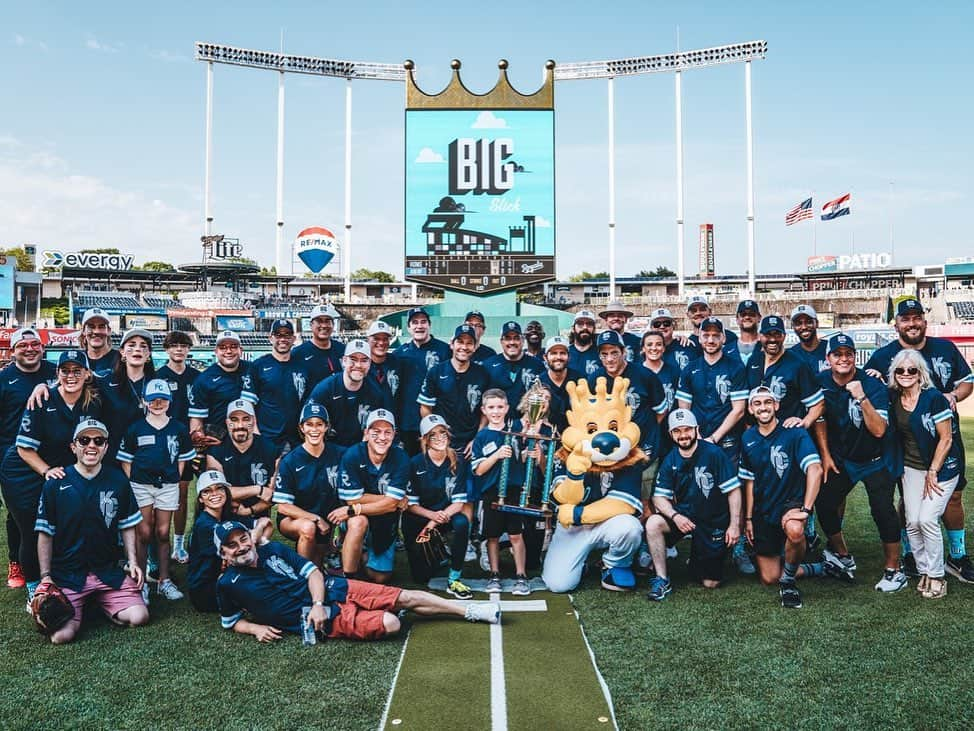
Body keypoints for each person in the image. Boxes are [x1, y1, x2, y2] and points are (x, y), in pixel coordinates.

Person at [214, 521, 500, 643]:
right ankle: (389, 611)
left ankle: (469, 611)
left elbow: (313, 573)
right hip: (322, 619)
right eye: (232, 545)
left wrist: (315, 602)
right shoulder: (227, 583)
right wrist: (255, 629)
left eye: (243, 539)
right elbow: (230, 621)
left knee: (406, 597)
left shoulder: (271, 549)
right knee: (391, 624)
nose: (241, 546)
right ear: (223, 553)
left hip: (332, 589)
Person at [865, 298, 974, 582]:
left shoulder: (946, 348)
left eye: (916, 317)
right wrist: (873, 379)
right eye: (905, 318)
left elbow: (967, 381)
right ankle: (911, 552)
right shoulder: (883, 356)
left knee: (953, 497)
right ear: (896, 324)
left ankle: (957, 555)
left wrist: (953, 395)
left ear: (924, 321)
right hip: (904, 443)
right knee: (909, 502)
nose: (911, 323)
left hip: (943, 437)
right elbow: (868, 386)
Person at [34, 418, 148, 644]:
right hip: (69, 574)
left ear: (106, 447)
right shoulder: (56, 483)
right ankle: (86, 604)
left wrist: (132, 561)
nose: (91, 446)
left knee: (139, 617)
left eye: (99, 441)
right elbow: (45, 533)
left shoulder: (117, 480)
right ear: (73, 446)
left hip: (106, 570)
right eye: (84, 440)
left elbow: (127, 525)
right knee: (60, 637)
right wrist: (46, 577)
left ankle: (98, 603)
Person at [0, 350, 101, 605]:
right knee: (33, 528)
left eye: (77, 370)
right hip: (24, 471)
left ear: (87, 374)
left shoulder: (92, 401)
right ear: (56, 374)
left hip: (56, 469)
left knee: (63, 523)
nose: (71, 375)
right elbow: (24, 448)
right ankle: (35, 587)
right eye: (65, 370)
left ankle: (60, 576)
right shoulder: (43, 399)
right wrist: (45, 471)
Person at [814, 334, 905, 590]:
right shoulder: (820, 382)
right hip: (843, 459)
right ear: (828, 358)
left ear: (855, 356)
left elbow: (879, 430)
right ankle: (842, 555)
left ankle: (893, 569)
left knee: (882, 510)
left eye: (848, 354)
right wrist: (826, 454)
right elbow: (818, 417)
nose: (843, 359)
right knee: (826, 502)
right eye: (837, 354)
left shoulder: (871, 383)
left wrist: (861, 397)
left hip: (876, 457)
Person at [740, 387, 824, 608]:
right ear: (751, 409)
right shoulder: (748, 437)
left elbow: (815, 470)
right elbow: (749, 481)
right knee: (769, 578)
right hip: (764, 508)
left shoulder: (794, 432)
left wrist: (805, 510)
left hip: (791, 503)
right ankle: (822, 567)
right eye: (757, 404)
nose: (763, 407)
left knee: (795, 530)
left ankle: (788, 582)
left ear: (776, 405)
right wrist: (748, 519)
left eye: (768, 402)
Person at [645, 409, 742, 601]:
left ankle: (700, 558)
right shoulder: (671, 459)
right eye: (677, 431)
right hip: (686, 514)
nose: (683, 435)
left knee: (711, 583)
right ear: (671, 434)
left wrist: (734, 525)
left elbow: (733, 490)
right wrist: (675, 516)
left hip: (714, 519)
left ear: (697, 430)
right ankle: (662, 579)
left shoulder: (714, 453)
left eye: (687, 429)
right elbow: (659, 498)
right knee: (653, 523)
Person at [887, 350, 961, 599]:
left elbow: (947, 437)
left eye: (912, 370)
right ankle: (925, 571)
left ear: (921, 373)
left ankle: (938, 575)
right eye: (900, 370)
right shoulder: (894, 398)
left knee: (928, 518)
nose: (906, 374)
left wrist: (933, 470)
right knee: (912, 521)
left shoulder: (933, 398)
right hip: (911, 468)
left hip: (942, 467)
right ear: (894, 374)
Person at [117, 379, 195, 603]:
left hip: (167, 486)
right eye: (153, 399)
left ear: (169, 402)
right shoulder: (136, 428)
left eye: (163, 399)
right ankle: (141, 582)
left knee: (162, 533)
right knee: (144, 533)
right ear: (145, 402)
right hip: (141, 486)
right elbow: (126, 460)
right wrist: (135, 481)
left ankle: (164, 580)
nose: (158, 403)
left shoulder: (178, 428)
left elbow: (182, 459)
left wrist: (173, 478)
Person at [0, 328, 56, 589]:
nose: (30, 348)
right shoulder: (4, 379)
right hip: (14, 458)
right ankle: (17, 562)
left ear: (43, 348)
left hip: (50, 454)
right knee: (19, 515)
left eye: (35, 344)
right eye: (23, 345)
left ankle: (54, 563)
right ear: (13, 352)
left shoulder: (55, 371)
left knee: (56, 508)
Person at [590, 331, 667, 506]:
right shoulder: (595, 378)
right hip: (612, 450)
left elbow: (661, 411)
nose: (609, 359)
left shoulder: (645, 375)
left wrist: (645, 430)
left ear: (624, 352)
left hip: (644, 448)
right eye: (604, 354)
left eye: (614, 353)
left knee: (645, 502)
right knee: (617, 500)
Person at [333, 409, 410, 583]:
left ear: (393, 434)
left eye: (387, 432)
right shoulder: (352, 455)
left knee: (380, 577)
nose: (382, 437)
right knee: (358, 522)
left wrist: (356, 507)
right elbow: (352, 499)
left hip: (386, 521)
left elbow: (390, 505)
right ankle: (348, 579)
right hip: (360, 518)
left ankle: (359, 552)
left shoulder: (401, 458)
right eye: (376, 432)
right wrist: (391, 499)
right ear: (366, 433)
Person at [403, 415, 472, 598]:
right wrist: (431, 517)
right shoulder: (415, 463)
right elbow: (410, 505)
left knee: (462, 523)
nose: (439, 438)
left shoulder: (457, 460)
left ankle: (455, 577)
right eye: (433, 435)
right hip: (420, 516)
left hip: (446, 515)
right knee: (421, 577)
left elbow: (459, 503)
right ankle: (438, 557)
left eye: (443, 433)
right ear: (424, 439)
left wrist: (433, 523)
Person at [471, 389, 531, 595]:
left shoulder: (515, 430)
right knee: (493, 535)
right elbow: (478, 470)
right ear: (484, 410)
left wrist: (526, 454)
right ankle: (494, 574)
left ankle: (521, 575)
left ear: (506, 408)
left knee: (516, 534)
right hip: (491, 493)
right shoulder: (481, 437)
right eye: (491, 407)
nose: (495, 411)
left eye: (499, 407)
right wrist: (496, 455)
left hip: (513, 491)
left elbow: (520, 458)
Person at [272, 402, 347, 567]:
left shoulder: (340, 454)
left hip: (329, 518)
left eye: (319, 424)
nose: (314, 429)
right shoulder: (290, 460)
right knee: (308, 528)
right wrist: (316, 519)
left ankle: (333, 552)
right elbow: (283, 507)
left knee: (319, 566)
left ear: (326, 427)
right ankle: (303, 578)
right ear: (302, 427)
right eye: (309, 424)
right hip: (295, 518)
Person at [187, 470, 271, 612]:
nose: (214, 494)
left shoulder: (227, 517)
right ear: (201, 499)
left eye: (219, 488)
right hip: (208, 590)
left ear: (226, 492)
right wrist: (255, 538)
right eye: (207, 491)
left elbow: (267, 522)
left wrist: (257, 533)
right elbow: (241, 552)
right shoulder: (204, 525)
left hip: (227, 577)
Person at [155, 330, 199, 564]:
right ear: (167, 349)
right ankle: (158, 545)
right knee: (161, 496)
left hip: (189, 445)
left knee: (182, 494)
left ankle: (179, 545)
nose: (179, 349)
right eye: (174, 345)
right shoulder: (158, 376)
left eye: (183, 345)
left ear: (189, 349)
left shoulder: (197, 376)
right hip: (164, 444)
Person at [307, 339, 393, 448]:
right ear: (344, 361)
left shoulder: (375, 391)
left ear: (370, 363)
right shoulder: (325, 389)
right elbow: (309, 425)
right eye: (353, 359)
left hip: (361, 450)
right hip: (328, 450)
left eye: (364, 360)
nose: (358, 365)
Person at [418, 324, 489, 454]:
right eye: (460, 342)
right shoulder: (436, 371)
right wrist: (437, 437)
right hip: (442, 443)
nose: (464, 347)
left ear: (475, 347)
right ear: (452, 344)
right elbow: (425, 407)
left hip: (470, 443)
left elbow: (485, 411)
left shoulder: (482, 374)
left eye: (469, 343)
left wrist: (477, 439)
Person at [241, 319, 309, 451]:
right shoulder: (258, 366)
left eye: (287, 335)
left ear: (293, 338)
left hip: (297, 439)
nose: (283, 339)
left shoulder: (303, 367)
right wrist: (255, 433)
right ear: (270, 338)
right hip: (267, 438)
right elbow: (248, 404)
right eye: (278, 335)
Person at [744, 316, 824, 427]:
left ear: (784, 336)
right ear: (760, 336)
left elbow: (818, 403)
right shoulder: (754, 361)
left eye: (777, 334)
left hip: (787, 434)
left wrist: (804, 423)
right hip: (759, 434)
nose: (772, 339)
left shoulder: (797, 364)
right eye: (768, 335)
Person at [205, 399, 278, 519]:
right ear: (227, 422)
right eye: (234, 419)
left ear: (254, 421)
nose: (240, 425)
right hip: (224, 516)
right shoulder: (216, 452)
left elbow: (271, 494)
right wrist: (257, 490)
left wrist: (249, 511)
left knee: (264, 526)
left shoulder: (270, 450)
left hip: (258, 516)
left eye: (246, 419)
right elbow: (218, 493)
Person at [395, 307, 451, 455]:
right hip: (409, 422)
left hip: (437, 420)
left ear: (429, 325)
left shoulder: (445, 350)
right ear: (408, 327)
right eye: (415, 322)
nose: (419, 326)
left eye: (423, 322)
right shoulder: (400, 353)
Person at [188, 331, 253, 444]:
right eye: (223, 347)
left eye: (233, 346)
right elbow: (197, 418)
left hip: (250, 438)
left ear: (240, 350)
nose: (228, 351)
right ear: (216, 352)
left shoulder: (253, 370)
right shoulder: (204, 379)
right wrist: (198, 438)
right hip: (219, 440)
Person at [484, 321, 545, 410]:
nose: (512, 342)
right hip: (497, 421)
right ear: (501, 341)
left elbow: (543, 396)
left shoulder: (537, 365)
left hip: (527, 420)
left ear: (523, 340)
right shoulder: (488, 365)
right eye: (507, 338)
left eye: (516, 338)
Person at [539, 335, 584, 436]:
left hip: (577, 436)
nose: (558, 357)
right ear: (545, 357)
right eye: (554, 353)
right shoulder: (538, 383)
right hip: (547, 437)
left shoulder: (580, 380)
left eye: (562, 353)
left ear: (569, 356)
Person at [292, 304, 345, 387]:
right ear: (311, 325)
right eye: (319, 321)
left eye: (327, 321)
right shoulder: (298, 353)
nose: (324, 325)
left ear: (333, 325)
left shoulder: (342, 349)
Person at [648, 308, 696, 373]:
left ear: (673, 326)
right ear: (651, 328)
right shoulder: (645, 350)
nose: (662, 327)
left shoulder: (686, 345)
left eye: (666, 323)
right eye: (657, 324)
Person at [78, 307, 120, 379]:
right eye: (91, 327)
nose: (96, 331)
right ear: (83, 331)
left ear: (109, 331)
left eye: (101, 327)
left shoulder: (120, 359)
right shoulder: (77, 360)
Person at [788, 305, 830, 374]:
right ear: (793, 327)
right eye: (798, 323)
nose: (804, 327)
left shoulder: (831, 348)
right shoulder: (791, 355)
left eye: (809, 322)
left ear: (817, 323)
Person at [567, 310, 600, 377]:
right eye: (580, 324)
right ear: (573, 329)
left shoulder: (600, 352)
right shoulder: (565, 353)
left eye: (589, 324)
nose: (585, 327)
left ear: (594, 329)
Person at [735, 299, 762, 365]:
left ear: (759, 318)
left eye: (751, 314)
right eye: (743, 314)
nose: (747, 317)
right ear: (737, 319)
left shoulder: (767, 346)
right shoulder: (727, 349)